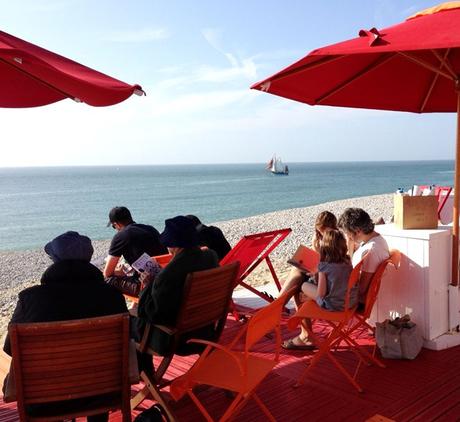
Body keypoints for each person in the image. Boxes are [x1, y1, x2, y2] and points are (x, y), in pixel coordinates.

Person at [3, 231, 128, 422]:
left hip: (44, 398)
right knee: (94, 372)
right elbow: (126, 341)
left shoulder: (31, 299)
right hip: (103, 393)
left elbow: (11, 348)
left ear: (55, 261)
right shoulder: (112, 296)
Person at [135, 216, 219, 372]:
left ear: (172, 244)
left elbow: (153, 314)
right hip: (206, 329)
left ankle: (146, 376)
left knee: (129, 325)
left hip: (177, 339)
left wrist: (147, 286)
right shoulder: (211, 257)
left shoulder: (168, 275)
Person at [283, 229, 353, 350]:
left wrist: (316, 278)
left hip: (333, 305)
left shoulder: (324, 267)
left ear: (324, 249)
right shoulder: (347, 261)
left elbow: (321, 294)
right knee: (308, 287)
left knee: (303, 286)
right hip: (349, 302)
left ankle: (305, 335)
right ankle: (305, 334)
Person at [104, 206, 167, 296]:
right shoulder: (150, 229)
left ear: (116, 224)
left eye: (114, 227)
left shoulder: (121, 236)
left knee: (107, 279)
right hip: (164, 280)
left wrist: (119, 272)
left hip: (145, 286)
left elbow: (107, 273)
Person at [279, 211, 337, 303]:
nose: (322, 234)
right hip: (320, 273)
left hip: (327, 278)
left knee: (296, 276)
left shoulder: (337, 240)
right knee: (297, 273)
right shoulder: (318, 239)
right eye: (319, 231)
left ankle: (277, 305)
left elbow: (333, 264)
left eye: (324, 231)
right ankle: (279, 304)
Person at [338, 207, 390, 304]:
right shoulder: (375, 240)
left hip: (351, 301)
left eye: (348, 234)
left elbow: (361, 289)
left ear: (357, 231)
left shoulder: (371, 251)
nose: (348, 237)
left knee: (306, 284)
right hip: (350, 290)